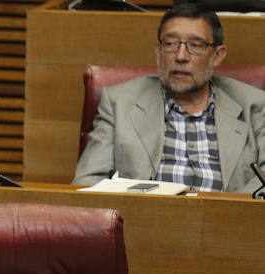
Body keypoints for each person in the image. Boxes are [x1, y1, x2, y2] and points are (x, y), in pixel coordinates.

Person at [72, 3, 265, 193]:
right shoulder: (119, 102)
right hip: (144, 219)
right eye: (171, 44)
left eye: (195, 45)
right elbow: (88, 181)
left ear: (217, 55)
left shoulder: (254, 105)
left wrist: (225, 215)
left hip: (228, 221)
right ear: (158, 51)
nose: (181, 56)